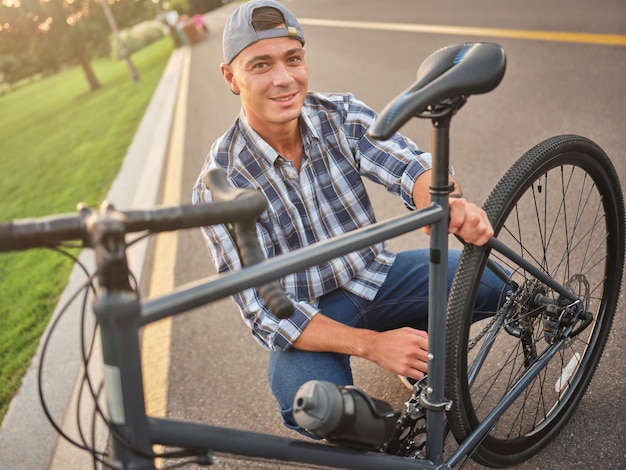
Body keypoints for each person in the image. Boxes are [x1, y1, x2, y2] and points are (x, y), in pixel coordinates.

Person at [192, 0, 503, 436]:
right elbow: (265, 312)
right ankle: (383, 435)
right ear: (231, 77)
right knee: (318, 408)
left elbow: (409, 166)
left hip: (375, 277)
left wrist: (449, 202)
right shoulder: (219, 184)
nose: (284, 79)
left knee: (491, 283)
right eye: (261, 65)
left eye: (293, 59)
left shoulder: (338, 114)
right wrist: (373, 347)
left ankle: (416, 338)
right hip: (308, 315)